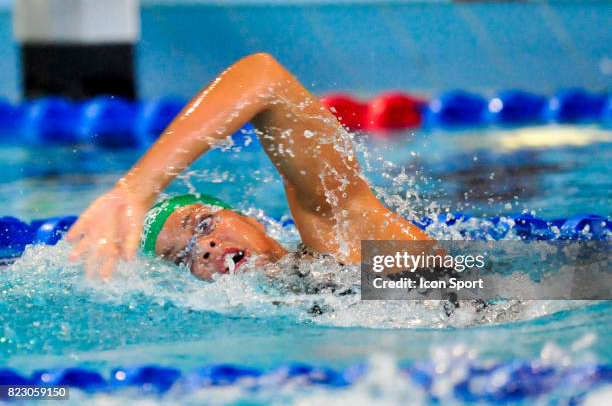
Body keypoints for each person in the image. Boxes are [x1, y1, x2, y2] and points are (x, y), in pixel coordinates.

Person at [67, 53, 429, 279]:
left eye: (203, 224)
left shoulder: (341, 237)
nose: (205, 247)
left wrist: (135, 189)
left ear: (250, 219)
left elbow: (265, 78)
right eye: (182, 258)